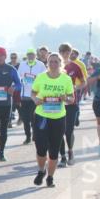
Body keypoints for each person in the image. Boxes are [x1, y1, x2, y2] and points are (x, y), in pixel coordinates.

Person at [29, 52, 75, 187]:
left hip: (58, 118)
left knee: (54, 151)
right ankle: (41, 170)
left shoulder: (66, 79)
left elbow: (72, 99)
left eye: (56, 62)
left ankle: (50, 177)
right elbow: (33, 92)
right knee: (41, 148)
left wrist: (65, 98)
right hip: (42, 117)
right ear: (47, 63)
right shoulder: (41, 77)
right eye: (51, 62)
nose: (53, 64)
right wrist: (35, 99)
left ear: (61, 64)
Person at [57, 43, 86, 166]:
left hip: (71, 102)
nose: (65, 54)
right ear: (60, 52)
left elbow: (83, 82)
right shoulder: (54, 66)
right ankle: (62, 156)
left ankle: (70, 151)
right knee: (59, 130)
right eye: (62, 52)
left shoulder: (75, 66)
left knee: (68, 131)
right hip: (57, 103)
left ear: (70, 52)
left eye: (67, 52)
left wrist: (76, 87)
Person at [16, 49, 47, 144]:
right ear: (27, 55)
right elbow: (19, 76)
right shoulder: (22, 64)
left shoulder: (40, 65)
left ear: (35, 55)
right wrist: (22, 80)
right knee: (25, 119)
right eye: (29, 54)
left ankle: (35, 135)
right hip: (24, 96)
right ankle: (27, 136)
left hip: (35, 96)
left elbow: (45, 77)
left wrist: (36, 81)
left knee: (34, 118)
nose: (30, 56)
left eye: (32, 54)